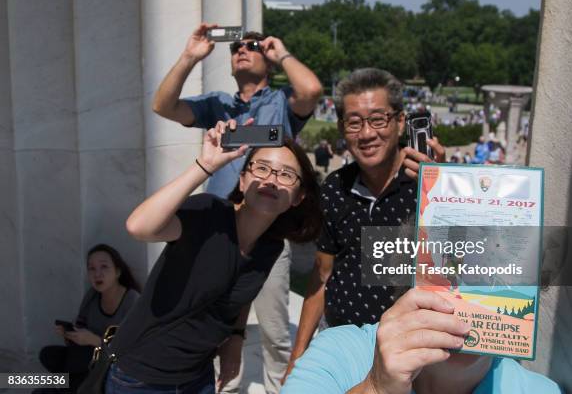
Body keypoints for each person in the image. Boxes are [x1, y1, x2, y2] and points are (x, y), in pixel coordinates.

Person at [152, 23, 322, 393]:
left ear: (269, 59)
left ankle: (281, 388)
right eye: (237, 47)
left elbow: (310, 90)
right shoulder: (218, 104)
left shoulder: (280, 103)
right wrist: (189, 57)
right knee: (209, 322)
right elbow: (162, 105)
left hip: (268, 232)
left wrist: (282, 52)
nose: (242, 49)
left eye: (253, 46)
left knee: (275, 330)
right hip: (219, 229)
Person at [104, 120, 322, 394]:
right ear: (242, 181)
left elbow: (242, 293)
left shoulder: (271, 246)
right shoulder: (209, 213)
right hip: (140, 377)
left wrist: (236, 338)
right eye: (262, 168)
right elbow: (139, 227)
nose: (270, 180)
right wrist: (204, 166)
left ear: (298, 197)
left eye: (286, 174)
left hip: (199, 376)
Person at [284, 68, 446, 381]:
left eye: (378, 119)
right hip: (341, 344)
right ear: (342, 129)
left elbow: (464, 266)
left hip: (409, 351)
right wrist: (298, 354)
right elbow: (322, 274)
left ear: (400, 122)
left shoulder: (430, 183)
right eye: (354, 122)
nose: (367, 133)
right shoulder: (335, 187)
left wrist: (447, 193)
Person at [282, 288, 562, 393]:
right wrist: (376, 388)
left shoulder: (538, 391)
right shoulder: (339, 352)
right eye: (450, 277)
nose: (469, 302)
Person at [37, 244, 140, 393]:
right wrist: (70, 334)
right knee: (48, 355)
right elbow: (81, 326)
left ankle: (71, 386)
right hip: (86, 358)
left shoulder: (132, 300)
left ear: (117, 271)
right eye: (91, 268)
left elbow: (132, 349)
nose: (97, 274)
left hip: (115, 365)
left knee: (82, 362)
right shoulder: (92, 295)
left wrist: (95, 341)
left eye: (104, 267)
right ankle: (74, 385)